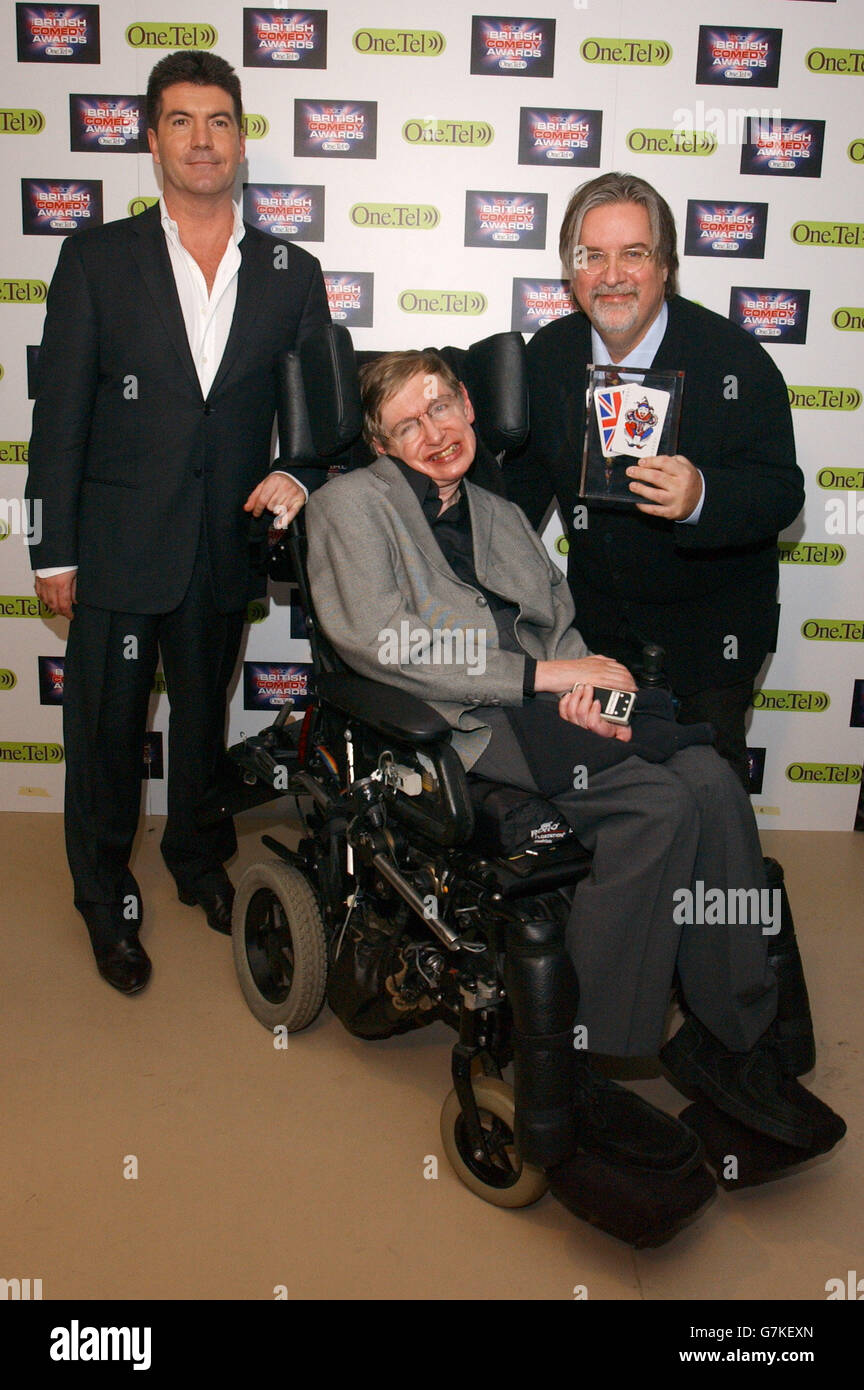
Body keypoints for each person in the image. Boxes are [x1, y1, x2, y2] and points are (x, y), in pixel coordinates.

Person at [305, 350, 843, 1225]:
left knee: (709, 775)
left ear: (470, 405)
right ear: (380, 441)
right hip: (464, 726)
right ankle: (586, 1060)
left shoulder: (500, 513)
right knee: (656, 804)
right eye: (409, 424)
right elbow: (385, 643)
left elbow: (559, 621)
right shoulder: (347, 508)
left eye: (443, 406)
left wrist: (586, 691)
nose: (436, 433)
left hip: (549, 706)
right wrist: (542, 681)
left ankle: (730, 1033)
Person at [26, 50, 330, 993]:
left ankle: (198, 862)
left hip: (222, 547)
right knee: (105, 739)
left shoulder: (288, 270)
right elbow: (58, 416)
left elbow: (317, 422)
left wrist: (293, 471)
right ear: (151, 137)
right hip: (115, 548)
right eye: (182, 121)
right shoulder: (96, 258)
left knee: (202, 724)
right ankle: (104, 899)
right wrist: (53, 552)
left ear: (243, 138)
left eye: (221, 121)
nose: (203, 140)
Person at [504, 172, 804, 788]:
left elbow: (781, 491)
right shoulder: (549, 357)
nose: (612, 275)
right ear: (571, 271)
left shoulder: (734, 359)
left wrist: (702, 497)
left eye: (634, 254)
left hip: (709, 643)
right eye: (592, 256)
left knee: (708, 796)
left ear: (665, 265)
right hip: (598, 637)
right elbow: (516, 497)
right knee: (619, 798)